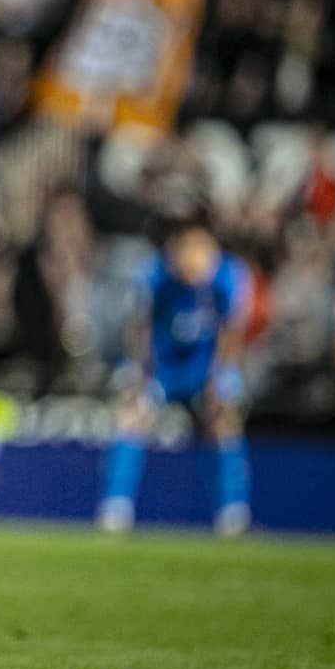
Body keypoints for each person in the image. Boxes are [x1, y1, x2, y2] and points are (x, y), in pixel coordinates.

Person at [97, 212, 253, 537]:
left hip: (205, 367)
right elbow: (139, 328)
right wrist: (138, 374)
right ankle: (115, 508)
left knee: (223, 422)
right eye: (188, 247)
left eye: (202, 246)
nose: (196, 256)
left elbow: (231, 332)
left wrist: (220, 379)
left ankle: (233, 513)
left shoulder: (230, 276)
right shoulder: (153, 274)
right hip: (162, 368)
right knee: (132, 416)